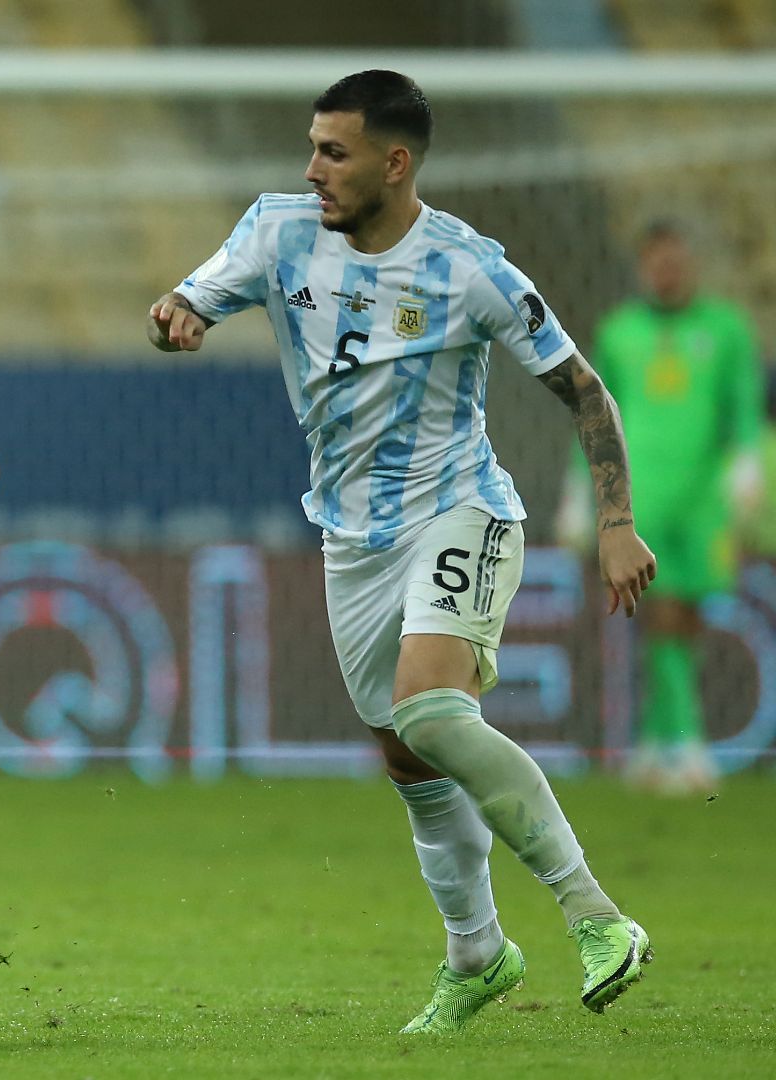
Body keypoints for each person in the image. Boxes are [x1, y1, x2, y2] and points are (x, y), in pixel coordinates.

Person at [147, 70, 656, 1034]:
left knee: (430, 708)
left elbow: (586, 391)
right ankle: (476, 955)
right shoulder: (277, 230)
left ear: (396, 162)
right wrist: (175, 316)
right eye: (311, 147)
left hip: (462, 510)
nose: (313, 170)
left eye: (333, 153)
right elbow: (185, 298)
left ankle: (597, 916)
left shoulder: (470, 268)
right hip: (351, 536)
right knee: (406, 751)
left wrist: (617, 521)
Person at [560, 221, 764, 794]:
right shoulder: (619, 331)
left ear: (690, 262)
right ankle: (690, 745)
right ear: (644, 267)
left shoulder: (725, 329)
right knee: (664, 610)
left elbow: (743, 403)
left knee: (688, 619)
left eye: (676, 260)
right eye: (657, 262)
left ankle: (653, 743)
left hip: (704, 500)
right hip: (641, 494)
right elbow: (595, 415)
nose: (667, 271)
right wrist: (583, 490)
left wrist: (747, 463)